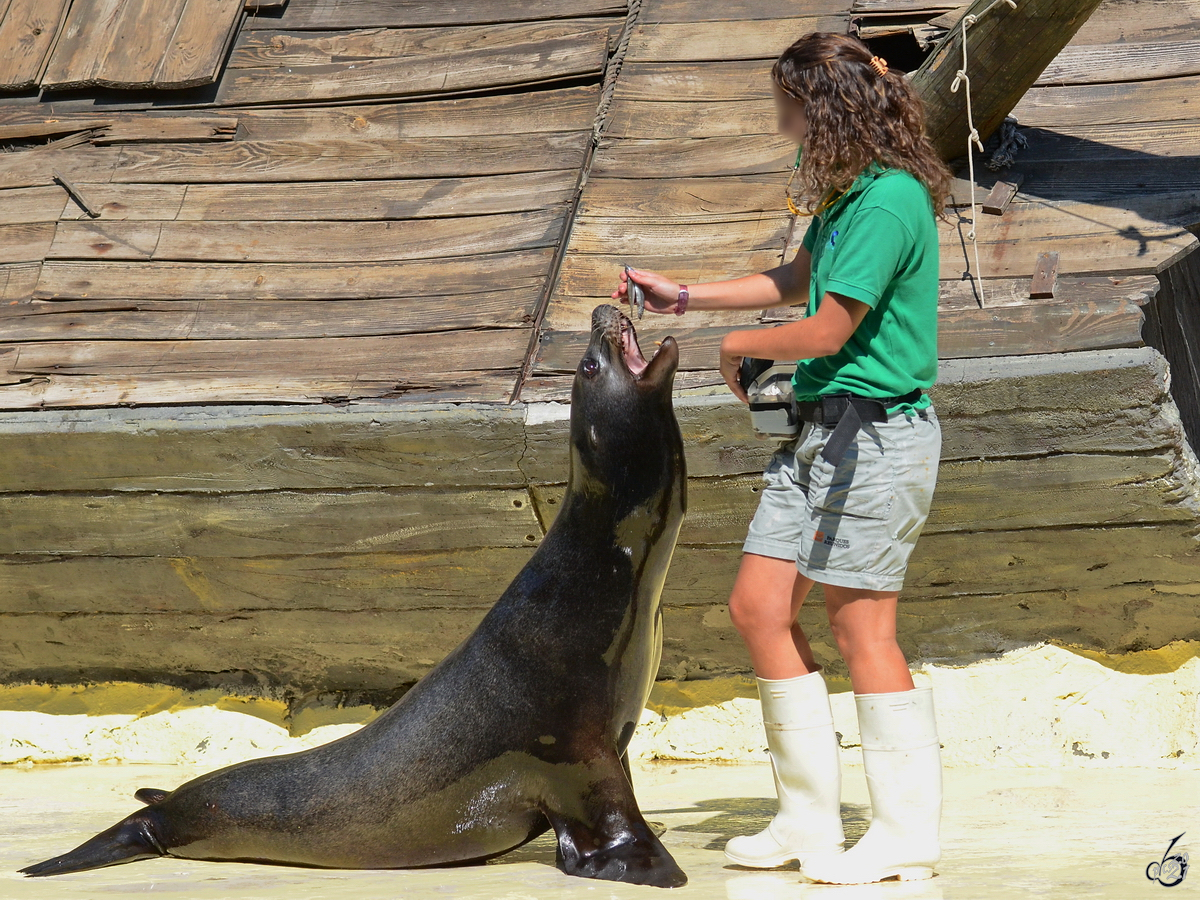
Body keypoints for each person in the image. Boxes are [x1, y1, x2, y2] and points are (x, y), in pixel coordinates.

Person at [612, 32, 953, 885]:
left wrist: (735, 345)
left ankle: (907, 830)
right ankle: (806, 818)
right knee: (759, 606)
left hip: (879, 435)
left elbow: (830, 328)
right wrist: (686, 297)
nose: (777, 115)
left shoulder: (885, 201)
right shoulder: (846, 197)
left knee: (859, 627)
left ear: (819, 104)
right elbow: (800, 279)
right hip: (818, 430)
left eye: (784, 99)